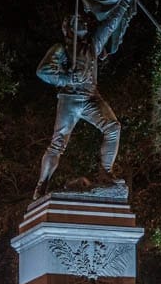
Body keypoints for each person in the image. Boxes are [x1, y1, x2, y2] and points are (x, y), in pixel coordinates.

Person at [34, 14, 122, 196]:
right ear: (68, 28)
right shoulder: (61, 48)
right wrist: (68, 78)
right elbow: (43, 71)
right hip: (70, 99)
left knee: (113, 127)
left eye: (83, 21)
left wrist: (124, 3)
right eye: (77, 21)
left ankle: (106, 172)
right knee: (58, 144)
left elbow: (109, 26)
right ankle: (41, 185)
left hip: (91, 97)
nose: (83, 23)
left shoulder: (93, 46)